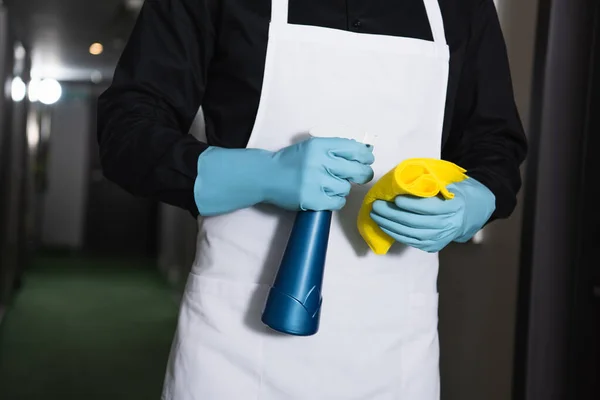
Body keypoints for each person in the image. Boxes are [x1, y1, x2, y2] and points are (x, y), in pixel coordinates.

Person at [97, 0, 528, 398]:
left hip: (395, 354)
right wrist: (261, 175)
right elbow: (127, 133)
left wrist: (474, 200)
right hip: (232, 350)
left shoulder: (461, 5)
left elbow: (494, 143)